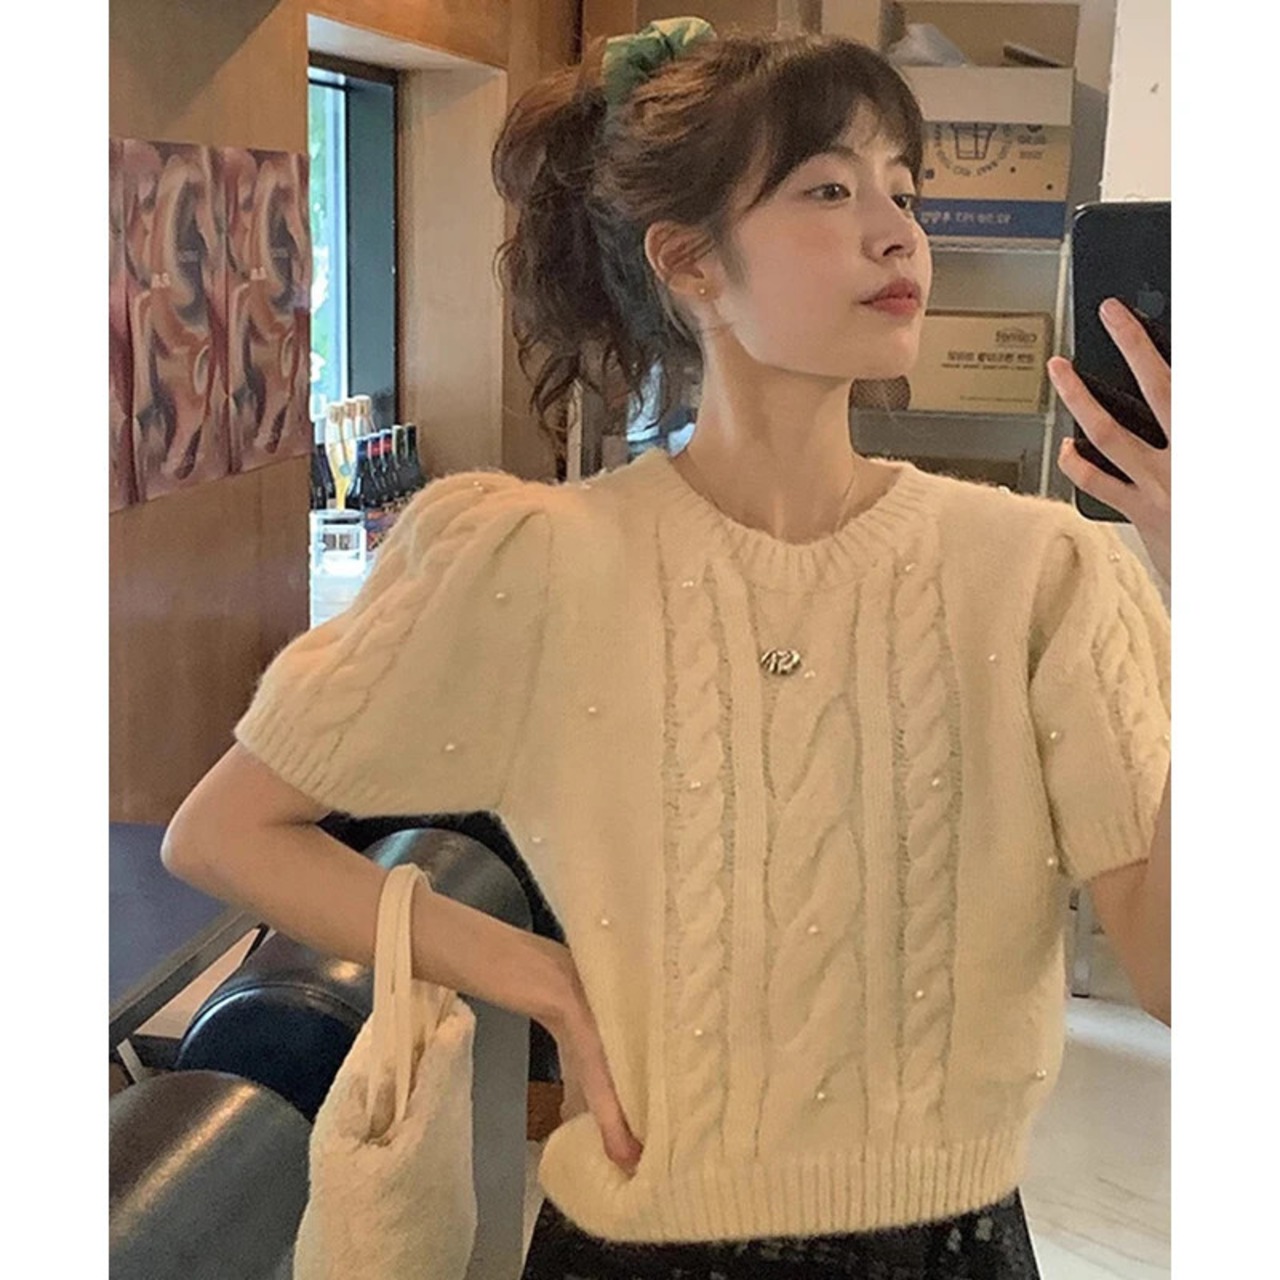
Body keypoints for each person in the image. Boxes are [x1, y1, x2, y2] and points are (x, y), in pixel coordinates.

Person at [162, 18, 1171, 1280]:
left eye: (903, 192)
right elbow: (223, 831)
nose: (895, 232)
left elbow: (1179, 974)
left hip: (947, 1244)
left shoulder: (1041, 573)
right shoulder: (528, 558)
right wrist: (536, 972)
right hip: (629, 1245)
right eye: (828, 189)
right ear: (690, 261)